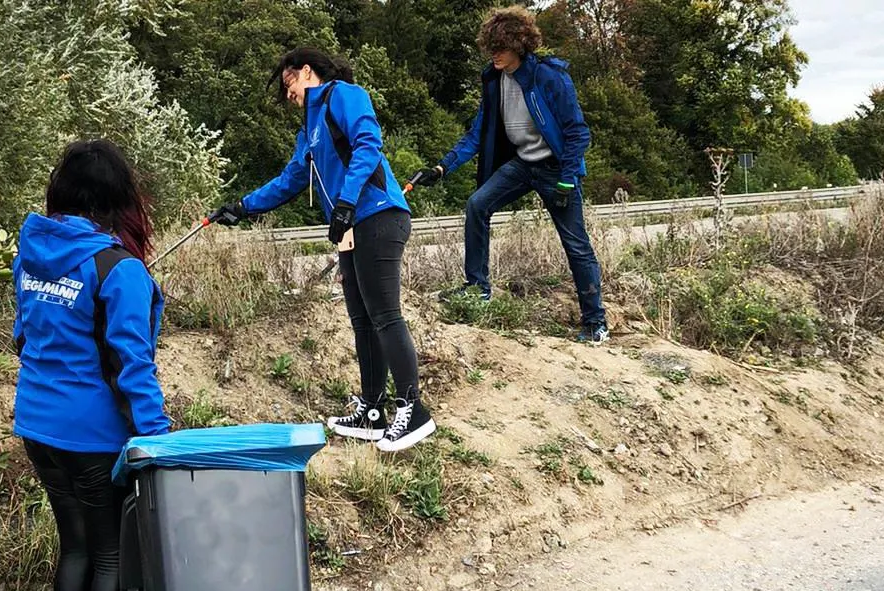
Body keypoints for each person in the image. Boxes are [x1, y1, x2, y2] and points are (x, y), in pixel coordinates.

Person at [12, 139, 169, 591]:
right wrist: (156, 442)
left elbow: (24, 336)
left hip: (38, 425)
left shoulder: (32, 257)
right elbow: (134, 368)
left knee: (75, 546)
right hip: (95, 435)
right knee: (110, 553)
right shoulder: (119, 270)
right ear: (118, 201)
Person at [210, 47, 437, 452]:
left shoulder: (345, 95)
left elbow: (368, 145)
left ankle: (413, 409)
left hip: (379, 215)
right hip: (351, 228)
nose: (288, 94)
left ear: (308, 71)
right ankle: (372, 411)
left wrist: (347, 201)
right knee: (362, 320)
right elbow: (290, 180)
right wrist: (242, 206)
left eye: (289, 83)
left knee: (385, 315)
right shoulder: (309, 129)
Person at [410, 5, 609, 344]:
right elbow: (477, 133)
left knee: (575, 243)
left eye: (500, 48)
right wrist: (442, 167)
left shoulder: (549, 76)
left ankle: (595, 321)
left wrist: (568, 177)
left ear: (519, 45)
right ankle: (477, 289)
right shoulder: (494, 79)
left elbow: (577, 131)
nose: (494, 55)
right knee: (477, 205)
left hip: (555, 170)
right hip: (522, 165)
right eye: (491, 48)